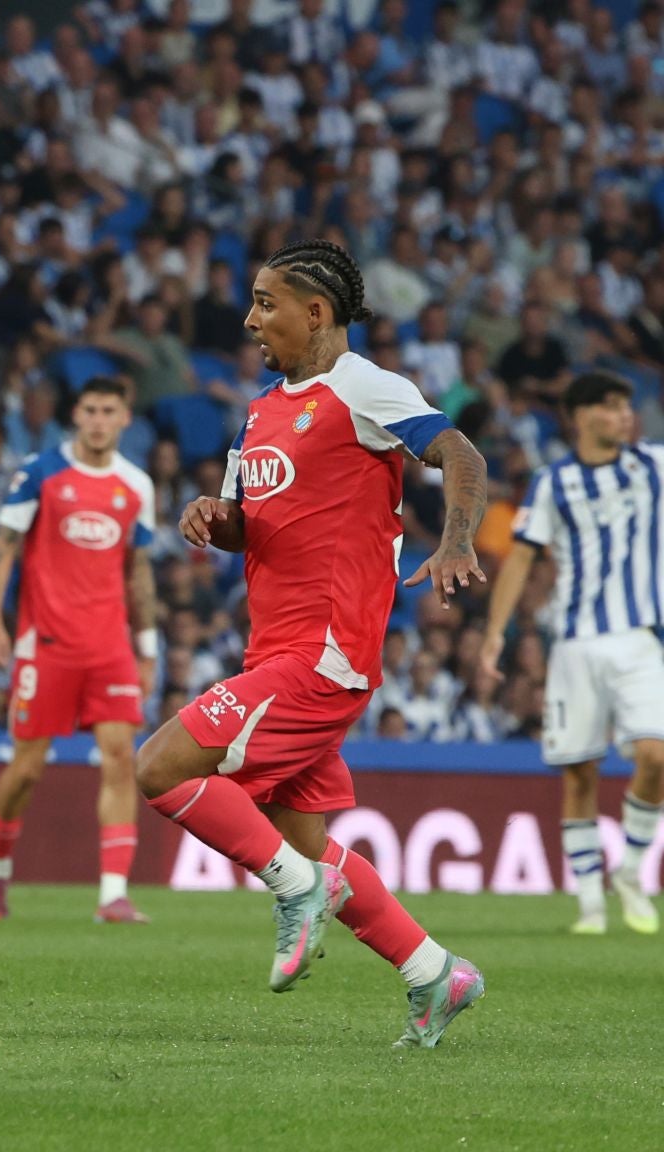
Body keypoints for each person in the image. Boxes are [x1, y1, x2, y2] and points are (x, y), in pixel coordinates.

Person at [136, 240, 488, 1049]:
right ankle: (435, 972)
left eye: (266, 303)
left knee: (160, 766)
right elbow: (247, 524)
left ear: (317, 313)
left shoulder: (364, 388)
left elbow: (457, 452)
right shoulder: (260, 411)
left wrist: (457, 539)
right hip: (275, 650)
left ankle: (296, 892)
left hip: (327, 652)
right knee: (303, 838)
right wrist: (209, 516)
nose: (253, 319)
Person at [479, 372, 662, 936]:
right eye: (611, 407)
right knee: (579, 774)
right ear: (581, 416)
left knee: (656, 756)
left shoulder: (653, 465)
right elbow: (521, 559)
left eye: (626, 406)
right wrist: (493, 636)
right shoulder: (552, 482)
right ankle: (589, 905)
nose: (624, 416)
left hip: (639, 637)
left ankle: (630, 871)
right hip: (576, 642)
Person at [0, 377, 158, 925]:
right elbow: (3, 547)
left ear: (125, 418)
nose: (99, 420)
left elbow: (139, 569)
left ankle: (112, 895)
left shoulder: (137, 485)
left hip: (109, 646)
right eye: (90, 409)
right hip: (46, 643)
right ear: (75, 416)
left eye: (109, 410)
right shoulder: (41, 472)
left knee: (122, 757)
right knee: (27, 768)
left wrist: (146, 647)